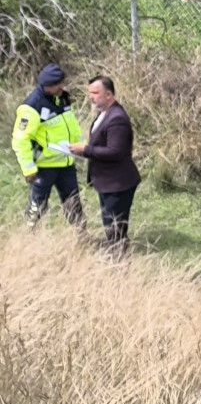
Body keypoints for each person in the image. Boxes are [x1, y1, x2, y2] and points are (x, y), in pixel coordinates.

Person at [69, 75, 141, 258]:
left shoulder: (117, 118)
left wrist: (86, 150)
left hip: (118, 183)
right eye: (90, 93)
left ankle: (119, 260)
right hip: (108, 181)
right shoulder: (104, 113)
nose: (91, 97)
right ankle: (116, 253)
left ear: (109, 95)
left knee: (115, 225)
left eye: (95, 93)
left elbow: (115, 151)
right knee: (111, 223)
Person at [11, 63, 86, 231]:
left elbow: (72, 127)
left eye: (61, 83)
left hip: (66, 165)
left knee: (74, 205)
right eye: (57, 85)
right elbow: (20, 139)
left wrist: (83, 147)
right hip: (43, 168)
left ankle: (81, 239)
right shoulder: (32, 106)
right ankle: (30, 238)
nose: (61, 87)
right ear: (47, 86)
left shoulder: (63, 98)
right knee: (37, 207)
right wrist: (28, 168)